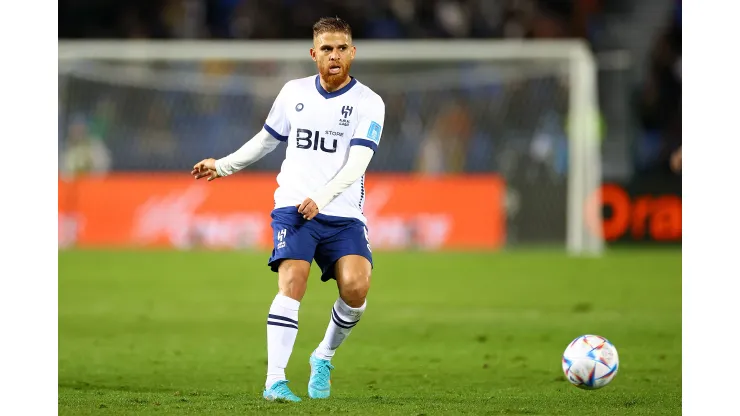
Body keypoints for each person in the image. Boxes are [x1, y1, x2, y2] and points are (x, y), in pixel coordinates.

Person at [190, 17, 385, 402]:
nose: (334, 55)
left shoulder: (369, 102)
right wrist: (224, 165)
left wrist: (324, 197)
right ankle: (275, 382)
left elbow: (358, 162)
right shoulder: (293, 92)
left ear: (352, 53)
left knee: (357, 288)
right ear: (314, 54)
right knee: (293, 282)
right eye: (326, 48)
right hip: (294, 207)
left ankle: (323, 355)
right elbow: (266, 139)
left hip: (342, 212)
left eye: (341, 48)